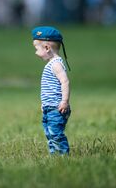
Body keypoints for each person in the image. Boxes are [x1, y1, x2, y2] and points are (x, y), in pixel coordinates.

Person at [32, 26, 71, 155]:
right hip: (50, 107)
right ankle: (54, 155)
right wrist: (45, 104)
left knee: (56, 133)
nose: (35, 52)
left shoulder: (56, 64)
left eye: (37, 49)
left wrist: (64, 101)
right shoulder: (51, 64)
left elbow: (65, 82)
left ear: (47, 48)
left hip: (57, 107)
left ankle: (62, 155)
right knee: (49, 133)